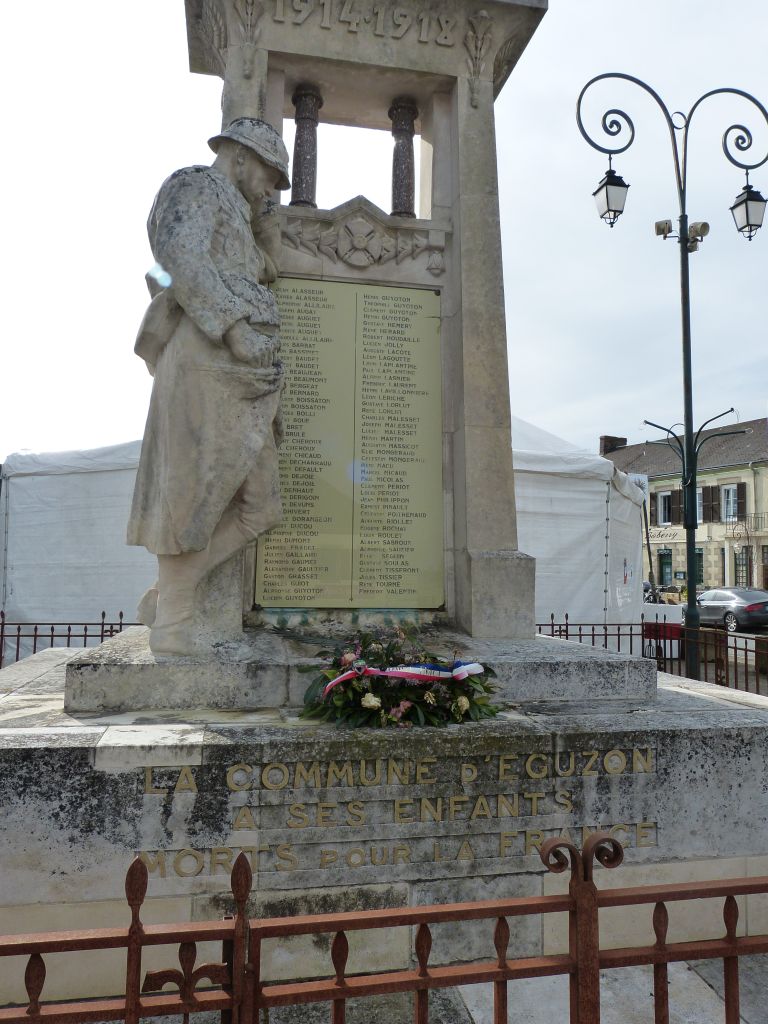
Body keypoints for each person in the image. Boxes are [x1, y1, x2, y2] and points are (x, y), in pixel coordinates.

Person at [127, 118, 290, 656]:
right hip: (208, 356)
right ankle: (173, 622)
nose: (270, 190)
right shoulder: (194, 184)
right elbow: (181, 258)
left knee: (262, 506)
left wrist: (265, 238)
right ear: (240, 156)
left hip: (246, 370)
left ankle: (168, 596)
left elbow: (252, 269)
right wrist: (233, 328)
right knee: (192, 493)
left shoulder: (238, 212)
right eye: (270, 175)